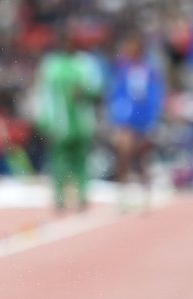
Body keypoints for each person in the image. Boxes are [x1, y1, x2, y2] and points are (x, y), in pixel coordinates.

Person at [33, 22, 103, 211]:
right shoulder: (51, 65)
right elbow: (42, 94)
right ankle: (59, 197)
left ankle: (82, 196)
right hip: (59, 122)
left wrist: (85, 92)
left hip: (81, 121)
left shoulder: (85, 63)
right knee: (58, 161)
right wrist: (43, 120)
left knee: (81, 161)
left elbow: (99, 92)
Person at [106, 31, 165, 210]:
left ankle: (144, 194)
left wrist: (153, 119)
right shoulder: (122, 69)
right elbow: (115, 94)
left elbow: (155, 95)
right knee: (123, 155)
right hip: (126, 122)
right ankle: (122, 195)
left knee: (140, 159)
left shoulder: (149, 70)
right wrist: (116, 117)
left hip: (144, 121)